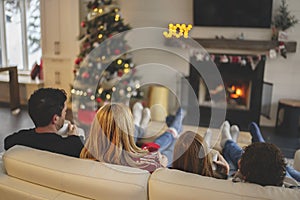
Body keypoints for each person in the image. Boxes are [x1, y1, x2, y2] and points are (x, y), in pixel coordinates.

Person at [80, 102, 185, 172]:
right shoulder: (149, 163)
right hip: (145, 155)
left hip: (137, 154)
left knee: (160, 143)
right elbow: (163, 160)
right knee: (172, 143)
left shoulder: (84, 157)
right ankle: (176, 123)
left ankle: (173, 124)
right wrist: (159, 160)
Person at [4, 88, 84, 158]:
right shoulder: (73, 146)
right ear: (55, 119)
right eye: (65, 111)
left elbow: (7, 141)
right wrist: (74, 137)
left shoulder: (19, 139)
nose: (65, 115)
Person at [220, 121, 299, 187]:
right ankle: (258, 142)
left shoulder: (238, 182)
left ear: (245, 176)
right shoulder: (289, 184)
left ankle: (228, 142)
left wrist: (226, 174)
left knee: (234, 165)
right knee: (276, 163)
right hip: (285, 177)